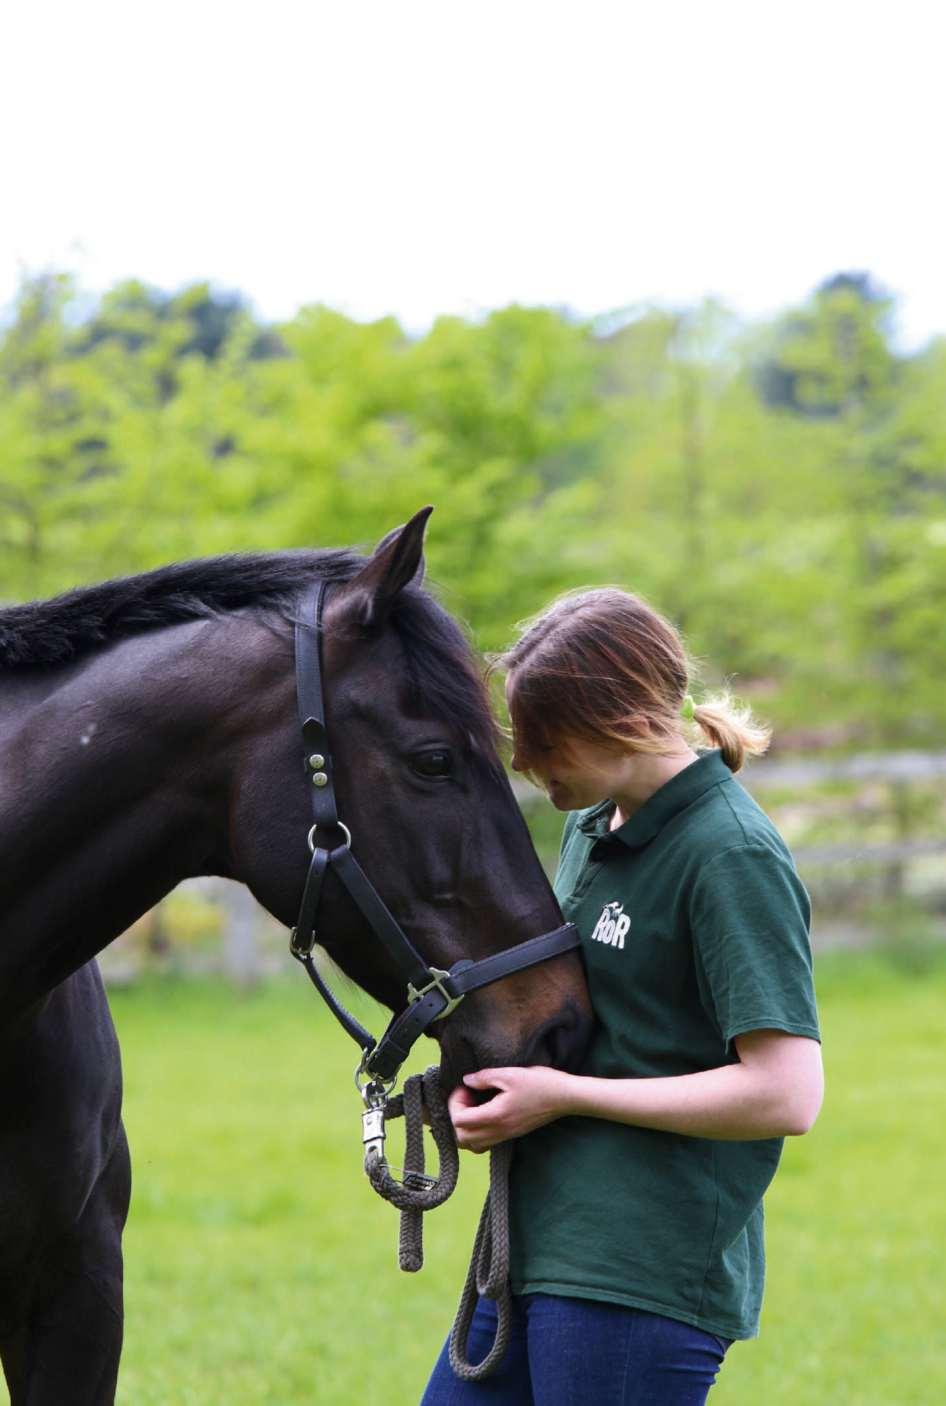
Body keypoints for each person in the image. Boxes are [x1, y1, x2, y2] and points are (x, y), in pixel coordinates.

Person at [421, 586, 823, 1406]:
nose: (525, 765)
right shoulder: (593, 824)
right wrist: (489, 1073)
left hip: (639, 1265)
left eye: (544, 741)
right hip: (535, 1242)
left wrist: (563, 1095)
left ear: (624, 722)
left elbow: (786, 1093)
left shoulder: (730, 855)